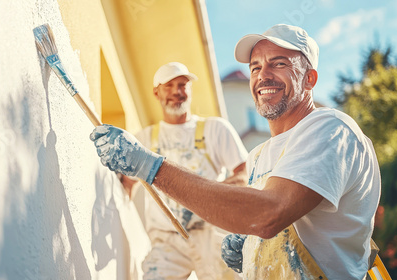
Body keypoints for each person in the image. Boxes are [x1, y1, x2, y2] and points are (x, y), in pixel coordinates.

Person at [90, 24, 381, 280]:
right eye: (255, 67)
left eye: (278, 64)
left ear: (309, 79)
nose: (263, 76)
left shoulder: (330, 129)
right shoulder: (258, 156)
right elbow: (262, 221)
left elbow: (268, 213)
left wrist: (152, 168)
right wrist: (249, 246)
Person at [120, 62, 249, 280]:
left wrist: (205, 198)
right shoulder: (143, 141)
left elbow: (244, 173)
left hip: (212, 232)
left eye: (183, 84)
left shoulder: (214, 129)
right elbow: (127, 185)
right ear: (156, 92)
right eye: (169, 86)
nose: (177, 92)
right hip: (166, 240)